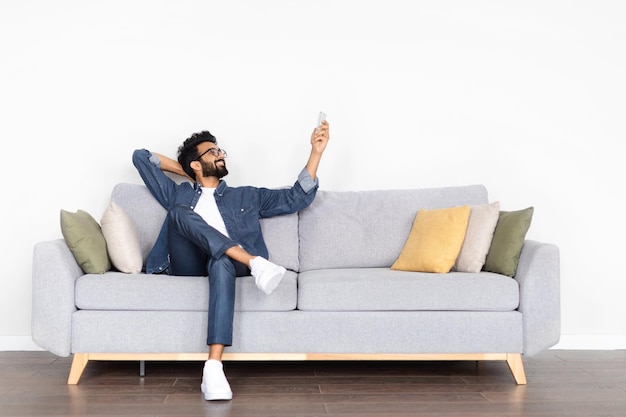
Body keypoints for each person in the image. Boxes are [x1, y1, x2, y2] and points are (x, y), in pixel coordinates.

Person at [132, 120, 329, 401]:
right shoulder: (180, 193)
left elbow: (296, 198)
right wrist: (187, 173)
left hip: (226, 266)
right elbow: (140, 157)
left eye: (220, 150)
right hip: (187, 265)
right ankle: (254, 262)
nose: (220, 154)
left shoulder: (246, 195)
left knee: (221, 260)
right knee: (178, 212)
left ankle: (213, 366)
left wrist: (316, 153)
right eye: (212, 152)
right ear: (197, 165)